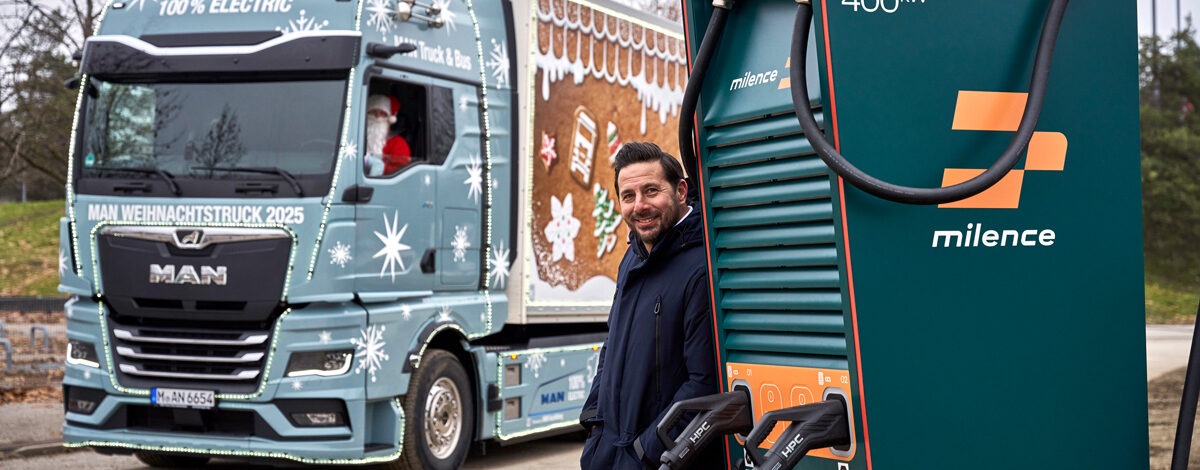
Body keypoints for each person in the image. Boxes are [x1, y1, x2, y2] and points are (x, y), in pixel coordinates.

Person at [579, 142, 719, 469]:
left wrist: (646, 452)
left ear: (681, 191)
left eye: (651, 191)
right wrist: (595, 424)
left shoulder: (701, 268)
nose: (639, 206)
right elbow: (612, 346)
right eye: (628, 196)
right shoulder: (632, 256)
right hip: (608, 453)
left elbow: (703, 384)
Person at [364, 94, 412, 176]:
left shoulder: (398, 144)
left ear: (389, 118)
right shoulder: (354, 138)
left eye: (383, 114)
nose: (378, 117)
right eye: (373, 112)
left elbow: (401, 172)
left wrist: (380, 168)